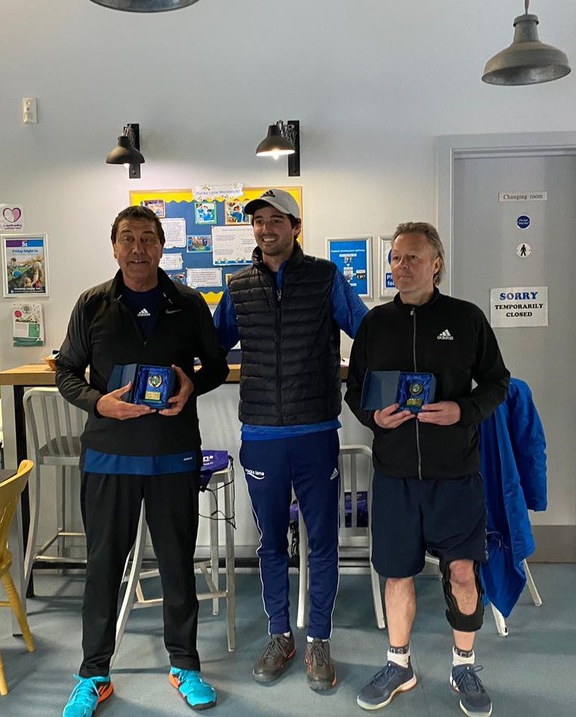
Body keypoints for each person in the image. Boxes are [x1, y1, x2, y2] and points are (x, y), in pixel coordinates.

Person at [56, 205, 229, 716]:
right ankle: (94, 674)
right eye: (128, 238)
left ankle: (185, 665)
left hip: (173, 454)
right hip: (109, 456)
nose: (138, 248)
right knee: (102, 568)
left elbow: (218, 366)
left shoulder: (188, 303)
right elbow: (66, 372)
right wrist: (99, 403)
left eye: (148, 238)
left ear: (161, 246)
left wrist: (193, 385)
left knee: (177, 564)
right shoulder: (92, 305)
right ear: (114, 247)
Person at [344, 222, 509, 717]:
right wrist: (372, 417)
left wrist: (464, 410)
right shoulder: (375, 324)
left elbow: (497, 383)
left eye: (413, 258)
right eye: (396, 258)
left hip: (454, 473)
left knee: (462, 571)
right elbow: (356, 390)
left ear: (436, 264)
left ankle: (464, 665)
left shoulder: (466, 318)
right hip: (395, 475)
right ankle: (399, 665)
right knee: (397, 574)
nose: (402, 267)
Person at [213, 189, 367, 691]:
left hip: (315, 430)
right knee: (271, 542)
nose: (265, 228)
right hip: (260, 433)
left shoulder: (325, 277)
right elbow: (212, 345)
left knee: (322, 540)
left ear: (296, 226)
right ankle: (280, 635)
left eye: (276, 220)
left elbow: (366, 330)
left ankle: (319, 638)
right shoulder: (238, 287)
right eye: (258, 220)